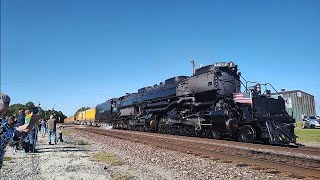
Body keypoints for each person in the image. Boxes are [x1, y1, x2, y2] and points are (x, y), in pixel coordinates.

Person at [0, 93, 40, 169]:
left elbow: (13, 129)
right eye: (7, 103)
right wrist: (31, 124)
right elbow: (16, 139)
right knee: (31, 140)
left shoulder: (2, 121)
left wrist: (28, 124)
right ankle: (31, 149)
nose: (8, 106)